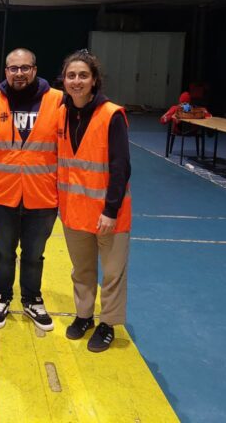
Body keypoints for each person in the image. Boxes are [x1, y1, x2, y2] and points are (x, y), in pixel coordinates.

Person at [58, 49, 132, 353]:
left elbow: (121, 167)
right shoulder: (61, 113)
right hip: (74, 212)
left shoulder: (111, 115)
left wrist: (111, 210)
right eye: (71, 75)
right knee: (82, 271)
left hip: (108, 214)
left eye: (83, 75)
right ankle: (84, 316)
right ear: (64, 80)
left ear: (94, 80)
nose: (76, 81)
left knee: (112, 274)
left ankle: (107, 324)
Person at [0, 48, 62, 332]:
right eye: (13, 68)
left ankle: (32, 298)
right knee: (4, 250)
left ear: (35, 70)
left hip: (42, 194)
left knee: (34, 253)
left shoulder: (57, 100)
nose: (19, 73)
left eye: (25, 68)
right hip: (2, 193)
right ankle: (1, 295)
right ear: (5, 71)